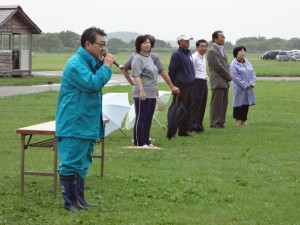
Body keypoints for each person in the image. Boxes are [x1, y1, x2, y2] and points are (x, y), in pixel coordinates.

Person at [55, 26, 115, 211]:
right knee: (71, 163)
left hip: (87, 122)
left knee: (82, 163)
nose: (103, 48)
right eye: (101, 44)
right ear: (87, 44)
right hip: (74, 123)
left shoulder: (90, 62)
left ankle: (79, 199)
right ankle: (69, 202)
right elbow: (93, 83)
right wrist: (105, 66)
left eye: (105, 44)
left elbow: (96, 76)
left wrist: (101, 64)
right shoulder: (75, 64)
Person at [130, 35, 159, 147]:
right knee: (141, 117)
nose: (147, 45)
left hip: (151, 92)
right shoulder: (137, 58)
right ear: (139, 45)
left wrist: (156, 88)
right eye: (144, 43)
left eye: (148, 42)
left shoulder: (150, 57)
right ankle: (139, 141)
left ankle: (146, 140)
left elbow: (153, 74)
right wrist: (141, 91)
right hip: (142, 92)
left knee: (148, 118)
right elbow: (136, 76)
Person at [168, 34, 195, 136]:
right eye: (186, 40)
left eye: (189, 40)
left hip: (190, 85)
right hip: (181, 85)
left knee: (187, 109)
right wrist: (174, 85)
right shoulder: (176, 54)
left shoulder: (188, 53)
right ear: (180, 42)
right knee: (178, 108)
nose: (188, 42)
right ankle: (172, 131)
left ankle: (183, 131)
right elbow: (172, 70)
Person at [207, 30, 233, 128]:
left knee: (223, 103)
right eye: (221, 37)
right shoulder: (212, 51)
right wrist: (228, 76)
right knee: (216, 103)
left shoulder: (221, 50)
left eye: (224, 37)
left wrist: (228, 75)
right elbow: (217, 66)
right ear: (215, 38)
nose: (223, 38)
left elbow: (226, 65)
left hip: (224, 81)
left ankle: (221, 122)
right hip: (218, 80)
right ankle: (214, 123)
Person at [230, 46, 256, 125]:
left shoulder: (247, 62)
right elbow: (234, 76)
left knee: (246, 103)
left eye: (244, 51)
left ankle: (244, 120)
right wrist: (245, 84)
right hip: (239, 87)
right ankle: (236, 119)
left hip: (249, 86)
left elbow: (253, 73)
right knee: (238, 103)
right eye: (240, 51)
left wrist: (251, 82)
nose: (243, 52)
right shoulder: (233, 64)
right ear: (236, 53)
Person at [189, 39, 209, 133]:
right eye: (201, 46)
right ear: (197, 47)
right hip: (196, 82)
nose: (203, 48)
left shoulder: (203, 56)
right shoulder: (194, 57)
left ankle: (199, 125)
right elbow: (190, 71)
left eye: (205, 46)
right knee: (195, 105)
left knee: (202, 105)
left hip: (204, 82)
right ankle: (192, 126)